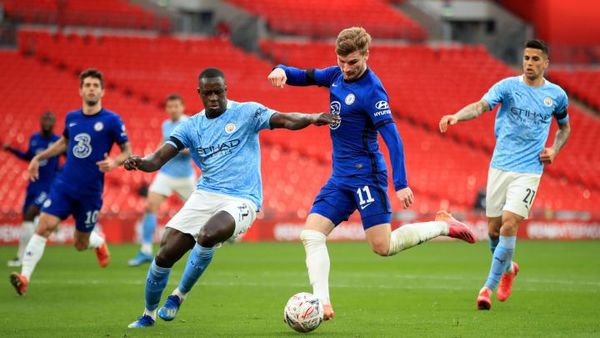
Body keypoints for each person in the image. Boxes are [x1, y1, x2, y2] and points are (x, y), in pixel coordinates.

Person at [267, 26, 476, 321]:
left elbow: (393, 139)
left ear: (366, 54)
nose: (346, 68)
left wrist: (400, 183)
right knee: (311, 235)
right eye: (341, 61)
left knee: (383, 246)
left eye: (353, 62)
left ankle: (443, 226)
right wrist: (281, 70)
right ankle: (322, 304)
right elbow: (305, 75)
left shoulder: (373, 91)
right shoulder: (336, 75)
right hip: (340, 177)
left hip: (367, 176)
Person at [126, 67, 333, 328]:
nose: (214, 97)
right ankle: (148, 315)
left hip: (243, 198)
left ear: (226, 90)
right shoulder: (191, 126)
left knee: (208, 234)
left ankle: (179, 295)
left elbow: (284, 119)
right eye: (208, 93)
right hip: (206, 194)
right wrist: (140, 163)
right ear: (199, 93)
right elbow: (158, 158)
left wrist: (312, 117)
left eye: (218, 92)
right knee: (166, 253)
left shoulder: (247, 112)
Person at [439, 39, 571, 310]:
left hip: (529, 170)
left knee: (510, 224)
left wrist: (554, 150)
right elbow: (480, 106)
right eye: (526, 58)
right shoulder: (507, 87)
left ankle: (487, 287)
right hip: (500, 166)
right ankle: (508, 269)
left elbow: (564, 128)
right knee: (493, 231)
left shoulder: (556, 95)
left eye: (536, 59)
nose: (530, 63)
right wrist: (456, 116)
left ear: (546, 63)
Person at [9, 68, 132, 296]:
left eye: (96, 85)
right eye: (87, 85)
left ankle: (98, 242)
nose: (91, 89)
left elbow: (127, 150)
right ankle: (25, 276)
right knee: (44, 225)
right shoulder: (72, 118)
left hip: (90, 191)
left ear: (103, 91)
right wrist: (38, 156)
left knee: (80, 244)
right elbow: (64, 144)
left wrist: (115, 162)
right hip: (64, 185)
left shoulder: (112, 120)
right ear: (80, 90)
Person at [128, 94, 195, 267]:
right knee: (150, 206)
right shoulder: (165, 125)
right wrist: (150, 157)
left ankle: (224, 236)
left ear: (182, 107)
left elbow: (192, 148)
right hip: (166, 174)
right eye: (170, 106)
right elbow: (162, 144)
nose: (173, 109)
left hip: (186, 177)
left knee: (203, 211)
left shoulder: (189, 123)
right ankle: (145, 250)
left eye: (176, 106)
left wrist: (173, 149)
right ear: (166, 108)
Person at [3, 112, 61, 267]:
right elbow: (29, 156)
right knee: (26, 219)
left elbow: (68, 160)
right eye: (45, 119)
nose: (47, 121)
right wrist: (11, 150)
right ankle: (20, 256)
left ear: (54, 122)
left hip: (47, 185)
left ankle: (25, 257)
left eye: (50, 119)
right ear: (41, 121)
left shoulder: (57, 141)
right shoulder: (34, 138)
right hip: (33, 184)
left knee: (30, 214)